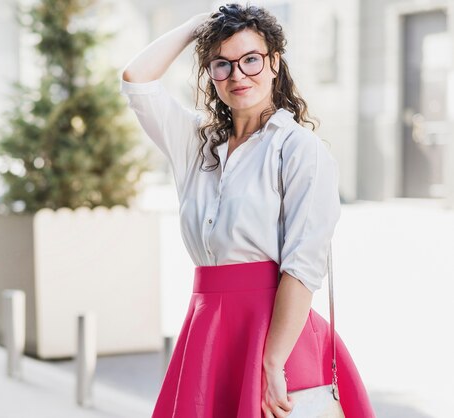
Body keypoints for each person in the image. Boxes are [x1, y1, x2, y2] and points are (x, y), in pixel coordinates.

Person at [121, 3, 375, 418]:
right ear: (210, 75)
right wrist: (197, 27)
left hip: (277, 333)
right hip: (207, 331)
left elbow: (303, 265)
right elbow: (137, 79)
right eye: (222, 64)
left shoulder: (298, 149)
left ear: (275, 62)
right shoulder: (196, 145)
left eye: (251, 59)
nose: (238, 74)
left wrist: (273, 361)